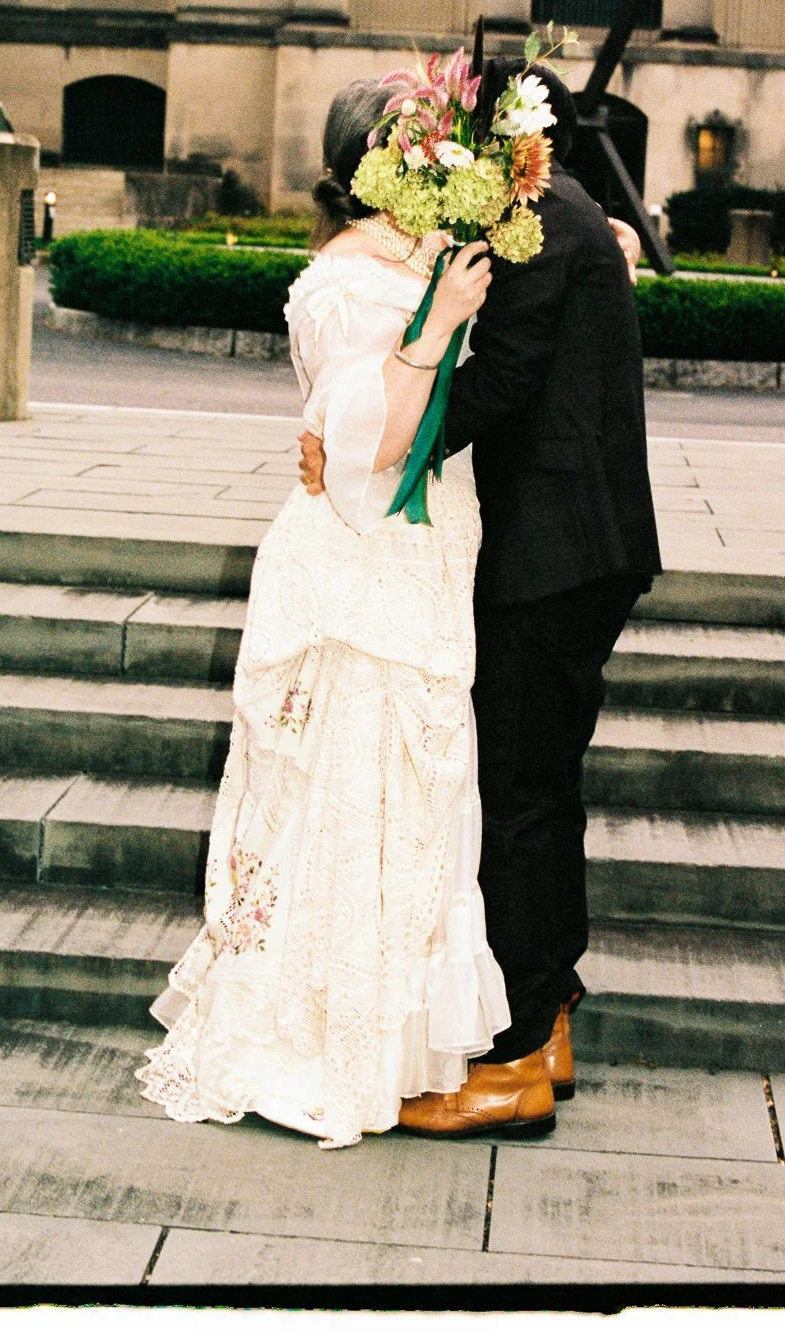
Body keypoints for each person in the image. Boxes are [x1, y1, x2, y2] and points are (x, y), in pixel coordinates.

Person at [138, 79, 521, 1150]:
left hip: (422, 551)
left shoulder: (420, 259)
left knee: (414, 789)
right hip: (358, 566)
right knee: (349, 783)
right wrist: (437, 324)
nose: (441, 166)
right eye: (419, 148)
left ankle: (395, 1038)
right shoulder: (346, 281)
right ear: (370, 165)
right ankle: (318, 1039)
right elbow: (366, 444)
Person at [299, 59, 660, 1138]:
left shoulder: (537, 216)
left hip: (553, 550)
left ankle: (516, 1061)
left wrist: (373, 452)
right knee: (536, 782)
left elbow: (495, 380)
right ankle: (548, 1014)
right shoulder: (551, 207)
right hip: (573, 543)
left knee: (517, 793)